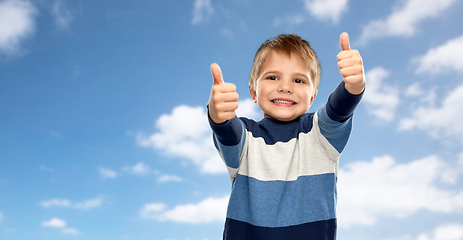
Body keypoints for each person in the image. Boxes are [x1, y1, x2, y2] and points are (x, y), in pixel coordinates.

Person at [207, 32, 366, 240]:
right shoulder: (245, 139)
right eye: (273, 77)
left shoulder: (320, 134)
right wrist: (217, 113)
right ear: (253, 91)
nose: (285, 87)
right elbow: (227, 129)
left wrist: (354, 87)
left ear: (313, 96)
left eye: (299, 80)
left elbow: (338, 110)